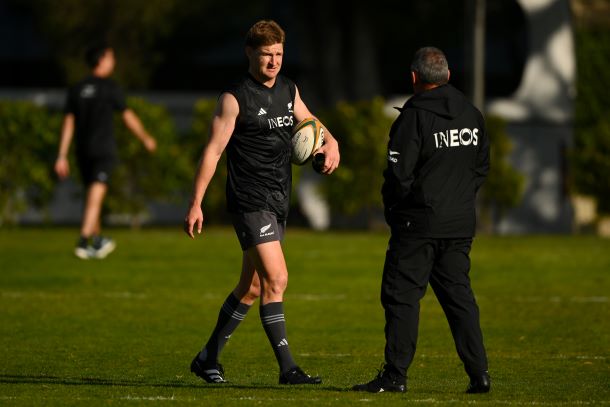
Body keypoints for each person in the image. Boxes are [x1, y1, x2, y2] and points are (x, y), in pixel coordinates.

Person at [183, 20, 340, 385]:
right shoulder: (235, 98)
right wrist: (196, 203)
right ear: (250, 53)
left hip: (278, 198)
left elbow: (312, 122)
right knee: (277, 278)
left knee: (252, 288)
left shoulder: (288, 89)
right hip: (250, 200)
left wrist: (332, 143)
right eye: (267, 54)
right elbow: (213, 151)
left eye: (279, 54)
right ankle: (288, 369)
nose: (273, 62)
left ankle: (207, 358)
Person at [352, 47, 491, 394]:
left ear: (414, 78)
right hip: (459, 224)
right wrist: (458, 200)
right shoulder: (472, 115)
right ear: (447, 76)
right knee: (459, 298)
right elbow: (481, 168)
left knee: (400, 296)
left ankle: (395, 375)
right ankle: (480, 373)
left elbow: (399, 176)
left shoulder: (413, 118)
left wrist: (397, 213)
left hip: (418, 225)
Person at [54, 43, 157, 259]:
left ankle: (97, 240)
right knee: (96, 194)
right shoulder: (110, 87)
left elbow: (68, 123)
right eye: (111, 57)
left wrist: (62, 155)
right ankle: (83, 240)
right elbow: (127, 117)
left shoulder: (77, 88)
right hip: (103, 149)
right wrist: (146, 138)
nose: (114, 62)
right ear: (101, 60)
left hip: (82, 151)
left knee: (93, 196)